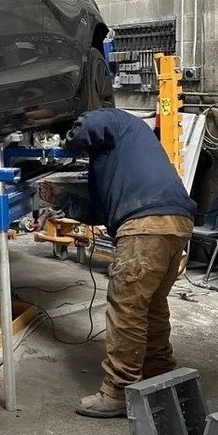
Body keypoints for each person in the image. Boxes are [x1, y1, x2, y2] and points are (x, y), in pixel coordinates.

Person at [39, 108, 197, 418]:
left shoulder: (118, 120)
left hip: (145, 224)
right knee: (150, 306)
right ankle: (161, 373)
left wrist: (64, 144)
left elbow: (91, 123)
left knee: (126, 309)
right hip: (175, 222)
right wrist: (60, 199)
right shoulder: (119, 155)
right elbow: (100, 212)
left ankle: (118, 390)